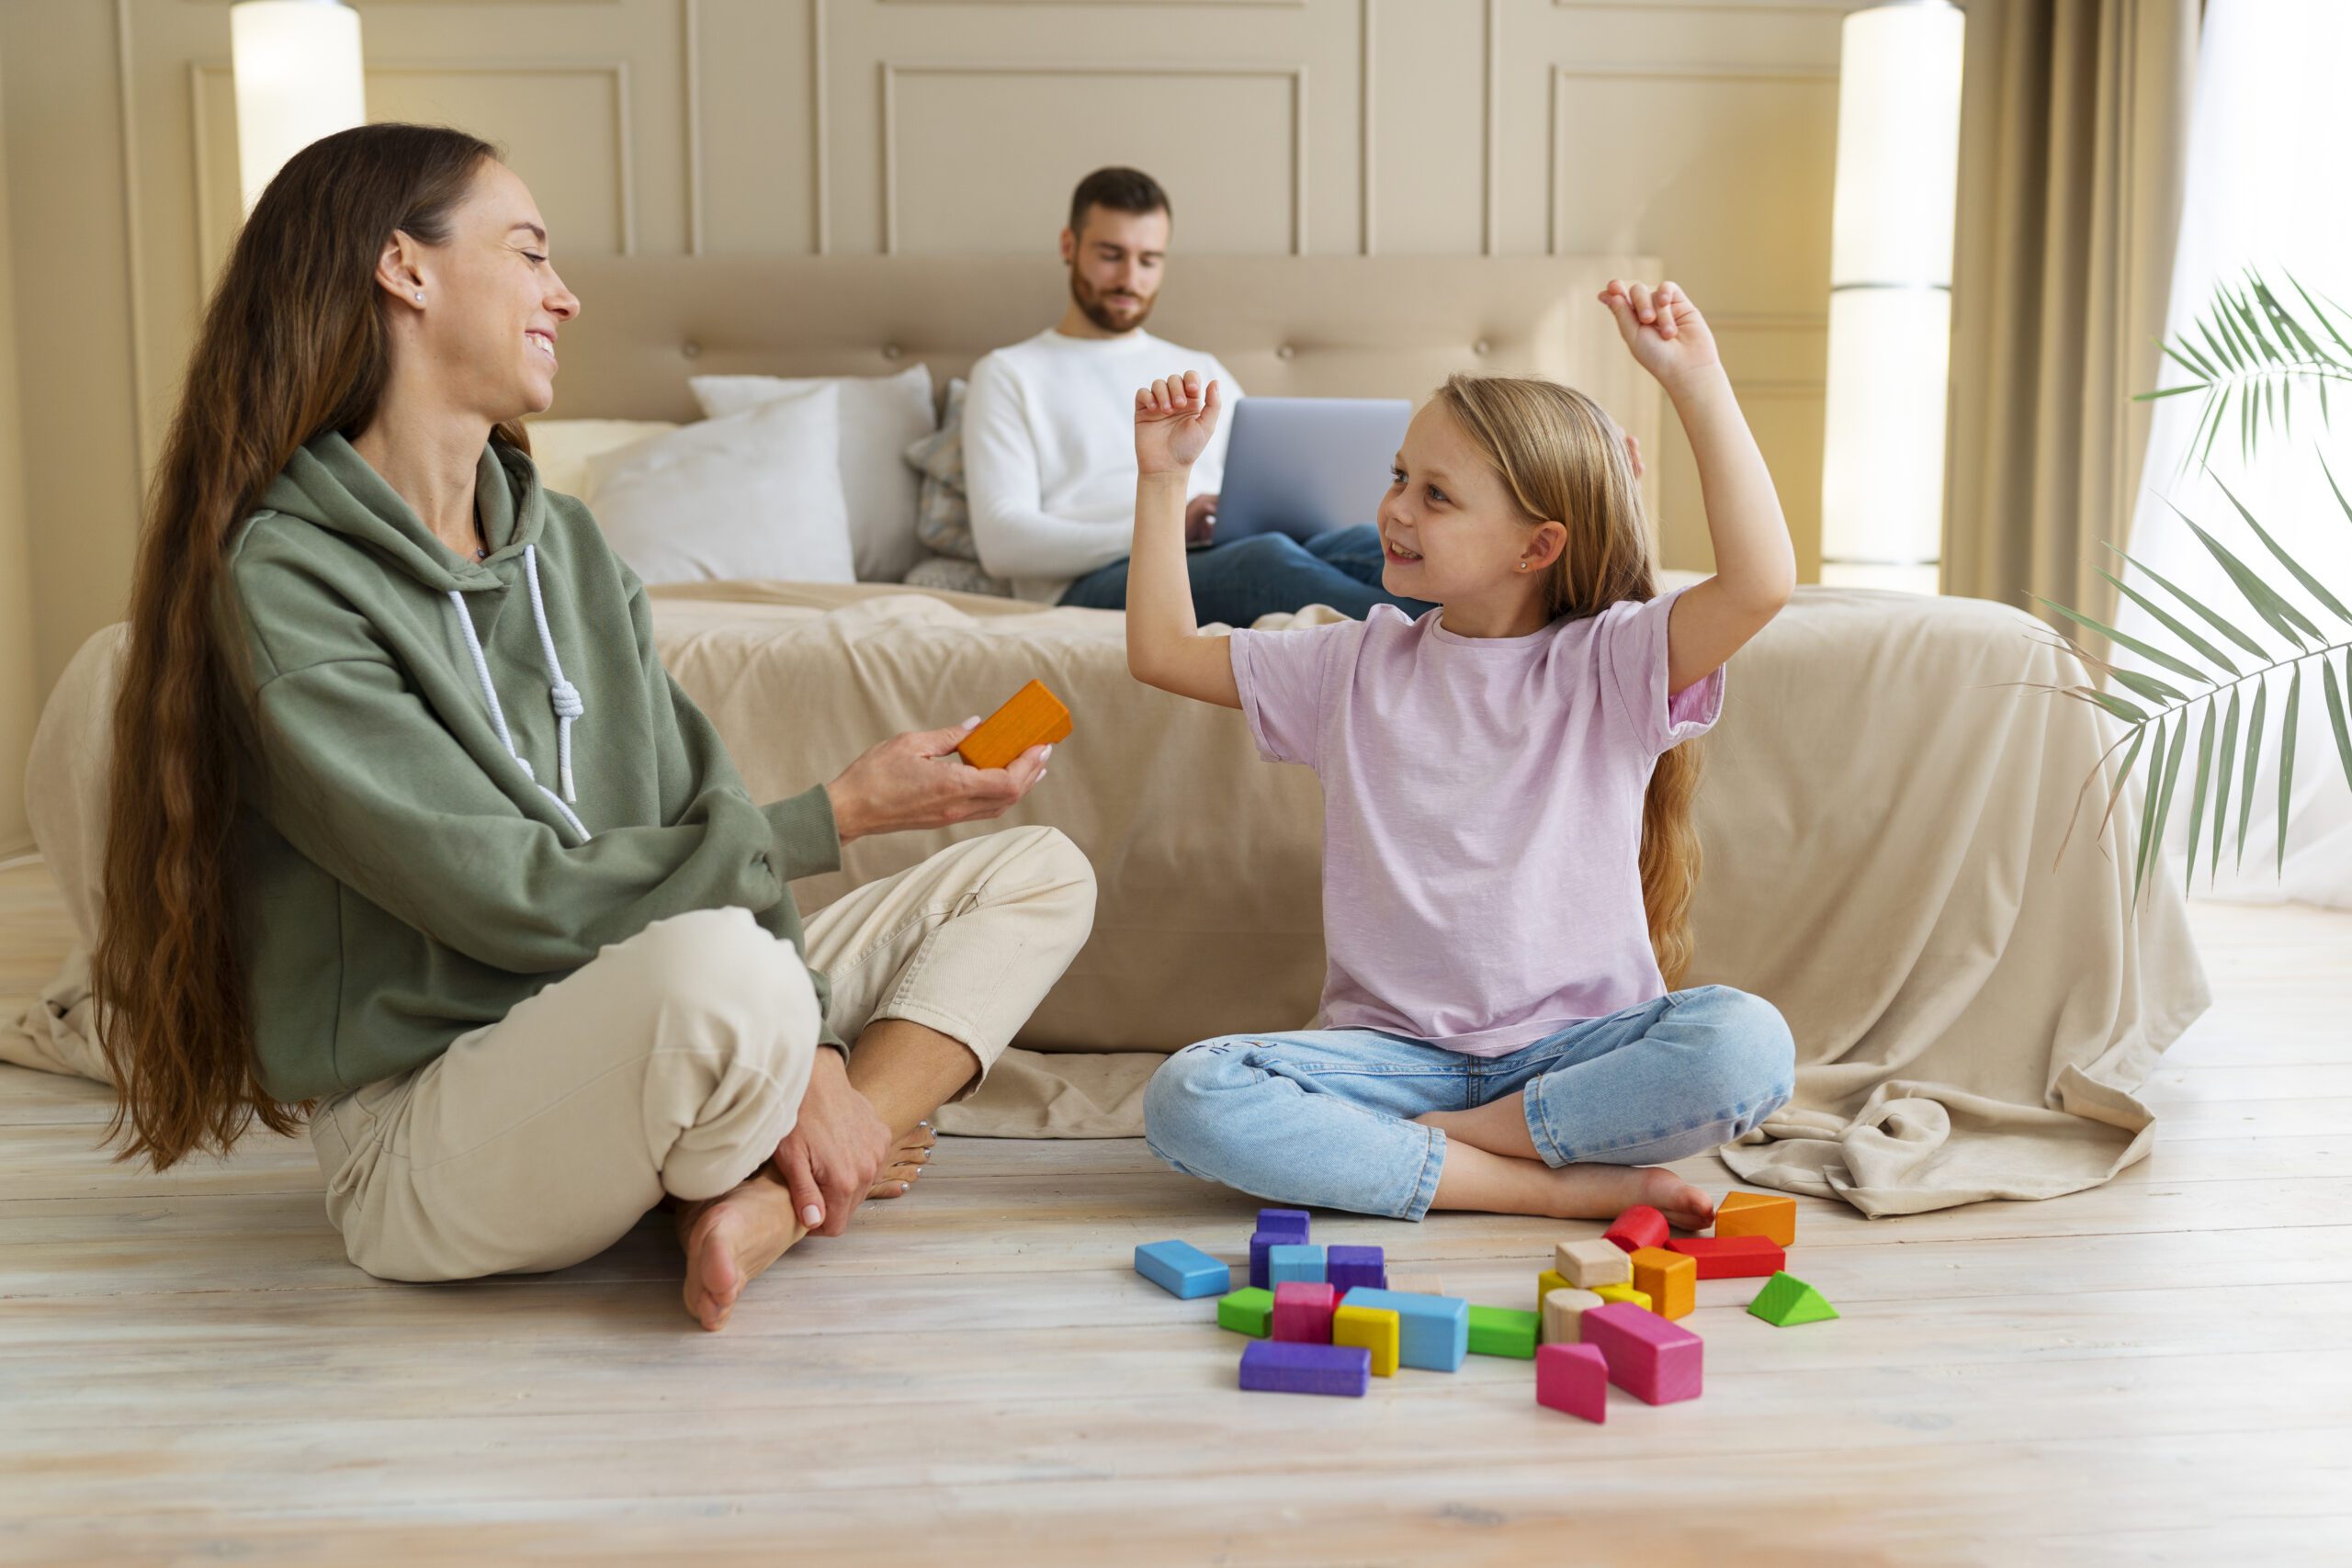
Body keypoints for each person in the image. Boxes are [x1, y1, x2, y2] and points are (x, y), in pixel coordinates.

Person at [93, 124, 1095, 1332]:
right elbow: (498, 892)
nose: (563, 296)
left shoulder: (564, 544)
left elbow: (696, 810)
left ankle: (773, 1188)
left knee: (1038, 872)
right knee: (729, 977)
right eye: (528, 254)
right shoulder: (284, 582)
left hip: (636, 1009)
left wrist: (829, 1059)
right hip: (433, 1125)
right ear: (404, 269)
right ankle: (767, 1146)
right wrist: (841, 814)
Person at [1126, 278, 1797, 1225]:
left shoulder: (1609, 663)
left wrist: (1696, 379)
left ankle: (1466, 1142)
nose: (1394, 511)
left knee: (1747, 1044)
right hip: (1397, 1062)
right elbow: (1160, 653)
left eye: (1435, 495)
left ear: (1537, 547)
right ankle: (1544, 1189)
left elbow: (1761, 583)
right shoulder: (1349, 664)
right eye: (1399, 476)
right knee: (1191, 1095)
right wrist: (1161, 479)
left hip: (1578, 1056)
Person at [962, 166, 1433, 624]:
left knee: (1362, 542)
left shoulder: (1200, 367)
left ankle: (1484, 628)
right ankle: (1447, 639)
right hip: (1091, 581)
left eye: (1149, 260)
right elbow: (1003, 543)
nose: (1130, 278)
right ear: (1070, 245)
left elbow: (1260, 488)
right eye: (1111, 255)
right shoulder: (1008, 372)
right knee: (1265, 561)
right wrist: (1166, 526)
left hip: (1225, 546)